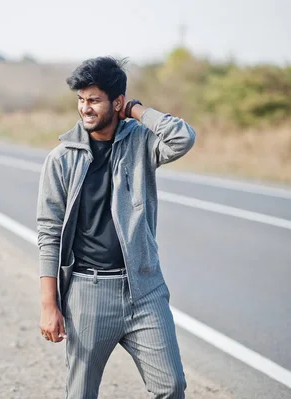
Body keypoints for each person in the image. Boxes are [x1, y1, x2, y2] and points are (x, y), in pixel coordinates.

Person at [36, 56, 196, 399]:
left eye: (94, 100)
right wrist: (49, 305)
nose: (85, 108)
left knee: (171, 387)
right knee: (81, 393)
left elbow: (182, 138)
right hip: (88, 292)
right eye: (81, 100)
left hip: (145, 290)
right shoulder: (61, 159)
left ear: (117, 102)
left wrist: (138, 110)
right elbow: (48, 233)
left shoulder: (141, 143)